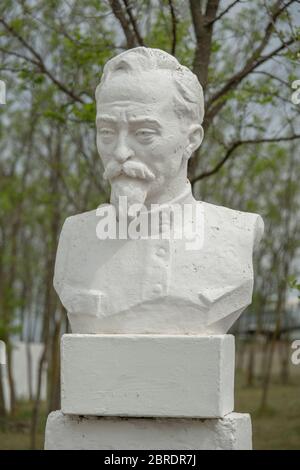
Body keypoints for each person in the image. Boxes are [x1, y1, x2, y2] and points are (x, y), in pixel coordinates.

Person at [54, 47, 264, 334]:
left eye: (144, 134)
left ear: (191, 140)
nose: (121, 152)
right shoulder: (75, 236)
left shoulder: (235, 233)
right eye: (106, 132)